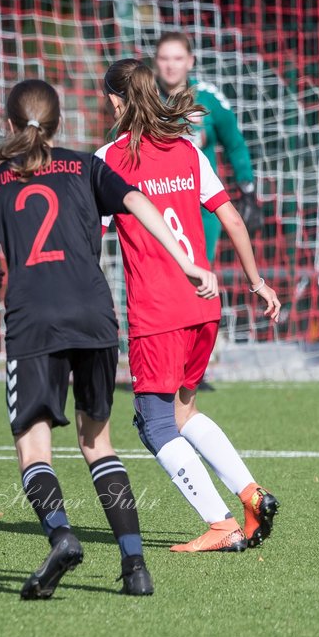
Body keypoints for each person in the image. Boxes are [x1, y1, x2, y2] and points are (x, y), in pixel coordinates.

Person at [0, 79, 219, 599]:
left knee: (33, 447)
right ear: (59, 125)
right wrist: (186, 262)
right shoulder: (86, 166)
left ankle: (62, 534)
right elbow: (139, 204)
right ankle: (135, 565)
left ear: (9, 126)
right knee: (98, 443)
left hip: (35, 322)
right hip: (96, 316)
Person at [98, 58, 283, 553]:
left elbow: (88, 240)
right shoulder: (187, 148)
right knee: (183, 413)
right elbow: (235, 221)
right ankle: (251, 494)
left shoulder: (108, 160)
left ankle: (220, 523)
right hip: (206, 304)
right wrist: (258, 283)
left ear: (116, 101)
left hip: (156, 311)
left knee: (153, 423)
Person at [155, 32, 262, 391]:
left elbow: (235, 144)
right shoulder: (144, 98)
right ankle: (162, 363)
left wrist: (248, 191)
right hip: (154, 204)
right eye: (164, 58)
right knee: (159, 282)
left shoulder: (209, 99)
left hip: (199, 209)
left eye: (177, 58)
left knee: (198, 279)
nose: (170, 65)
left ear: (190, 61)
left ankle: (191, 366)